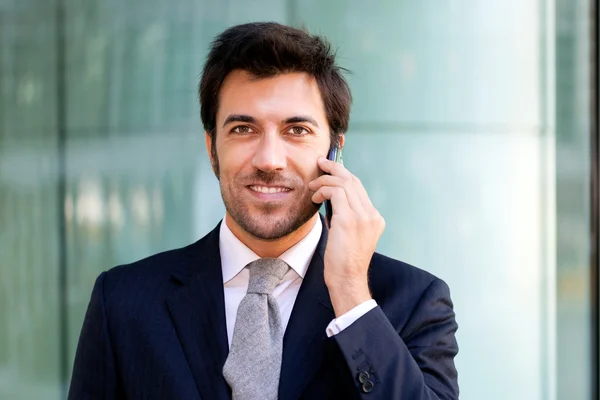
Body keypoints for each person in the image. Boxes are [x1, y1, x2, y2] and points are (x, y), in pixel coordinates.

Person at [68, 22, 459, 400]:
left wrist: (352, 295)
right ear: (211, 148)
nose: (269, 159)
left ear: (335, 150)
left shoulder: (414, 301)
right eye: (243, 129)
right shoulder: (122, 303)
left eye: (296, 130)